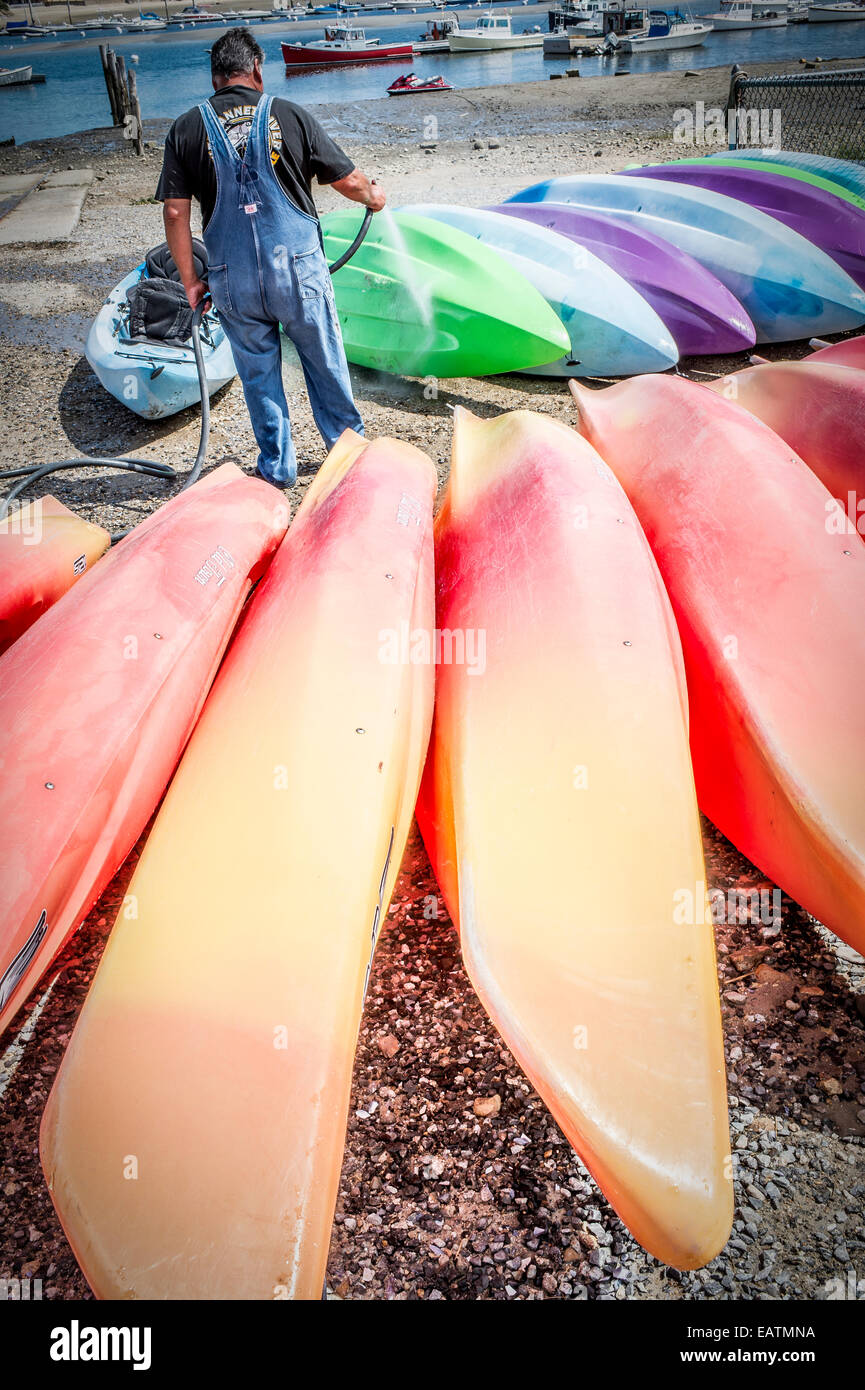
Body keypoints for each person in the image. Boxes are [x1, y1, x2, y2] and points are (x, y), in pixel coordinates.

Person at [156, 27, 385, 488]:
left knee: (259, 375)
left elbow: (175, 211)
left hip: (231, 279)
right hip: (297, 272)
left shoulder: (185, 128)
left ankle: (277, 470)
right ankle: (350, 457)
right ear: (256, 69)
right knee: (323, 359)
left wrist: (189, 280)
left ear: (215, 76)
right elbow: (348, 181)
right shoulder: (289, 114)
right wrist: (373, 197)